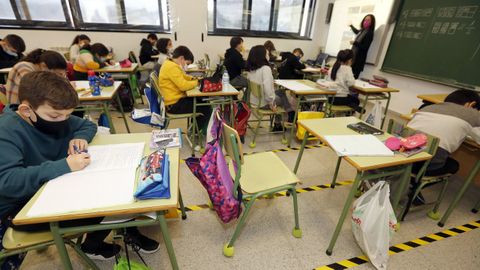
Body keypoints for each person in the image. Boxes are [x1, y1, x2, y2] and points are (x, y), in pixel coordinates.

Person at [0, 72, 160, 267]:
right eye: (56, 116)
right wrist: (64, 165)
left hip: (52, 186)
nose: (63, 120)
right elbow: (8, 182)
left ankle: (119, 231)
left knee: (120, 184)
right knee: (108, 200)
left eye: (67, 115)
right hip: (22, 207)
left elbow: (85, 125)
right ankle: (96, 242)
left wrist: (81, 137)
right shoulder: (6, 131)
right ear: (26, 110)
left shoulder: (55, 116)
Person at [408, 89, 480, 176]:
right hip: (427, 165)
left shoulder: (427, 108)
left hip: (404, 157)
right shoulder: (472, 114)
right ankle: (416, 184)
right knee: (453, 165)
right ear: (471, 104)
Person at [159, 46, 212, 136]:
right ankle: (195, 133)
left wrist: (193, 78)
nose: (185, 66)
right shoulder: (172, 67)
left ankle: (194, 128)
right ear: (182, 58)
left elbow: (183, 76)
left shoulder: (170, 63)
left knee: (201, 100)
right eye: (186, 63)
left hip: (173, 101)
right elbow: (183, 86)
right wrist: (197, 82)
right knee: (206, 107)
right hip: (173, 105)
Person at [246, 45, 293, 131]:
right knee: (284, 99)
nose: (268, 55)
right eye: (266, 53)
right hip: (264, 103)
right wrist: (272, 103)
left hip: (254, 100)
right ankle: (287, 118)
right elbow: (267, 89)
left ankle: (287, 117)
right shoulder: (266, 69)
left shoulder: (251, 68)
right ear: (261, 55)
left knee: (281, 92)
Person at [349, 14, 375, 79]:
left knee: (352, 80)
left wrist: (355, 43)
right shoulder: (362, 30)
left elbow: (365, 47)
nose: (366, 21)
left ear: (372, 22)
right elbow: (356, 31)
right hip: (353, 59)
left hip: (358, 61)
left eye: (368, 20)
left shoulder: (369, 33)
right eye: (365, 20)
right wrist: (351, 26)